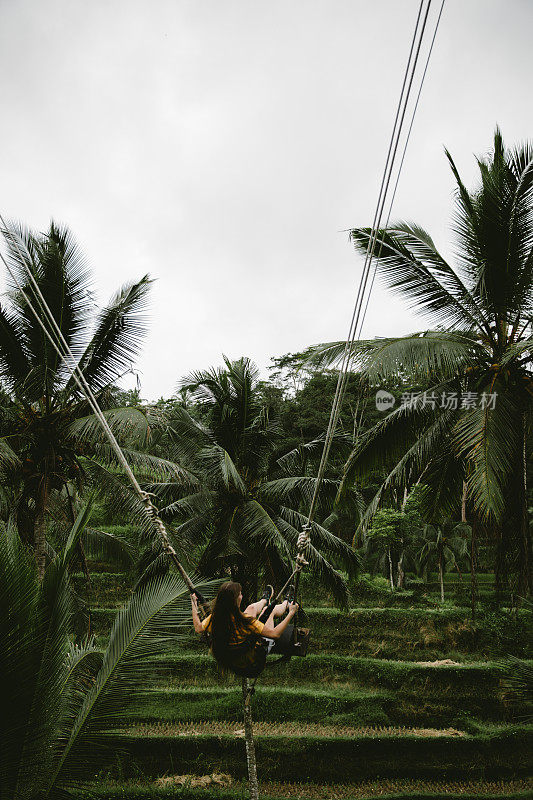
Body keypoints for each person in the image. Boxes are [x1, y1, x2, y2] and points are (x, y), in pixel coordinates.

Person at [191, 581, 299, 674]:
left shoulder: (215, 619)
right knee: (269, 611)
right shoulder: (247, 622)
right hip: (254, 663)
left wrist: (194, 603)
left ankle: (265, 600)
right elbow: (275, 634)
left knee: (251, 608)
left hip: (233, 663)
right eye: (240, 594)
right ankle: (287, 604)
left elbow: (198, 628)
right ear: (236, 599)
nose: (241, 596)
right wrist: (291, 613)